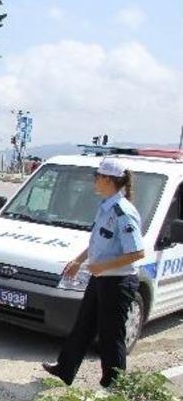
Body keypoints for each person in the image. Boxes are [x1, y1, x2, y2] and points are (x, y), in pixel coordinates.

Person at [42, 157, 145, 388]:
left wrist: (102, 267)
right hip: (101, 278)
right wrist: (79, 261)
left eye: (97, 177)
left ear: (109, 180)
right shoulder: (106, 206)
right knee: (83, 325)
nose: (95, 181)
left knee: (111, 336)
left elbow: (137, 252)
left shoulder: (122, 212)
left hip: (118, 282)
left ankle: (114, 385)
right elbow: (99, 243)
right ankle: (64, 370)